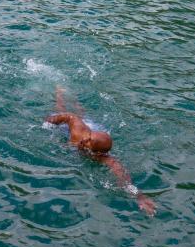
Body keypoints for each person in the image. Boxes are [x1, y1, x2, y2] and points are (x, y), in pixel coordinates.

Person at [46, 86, 156, 216]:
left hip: (94, 133)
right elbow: (70, 117)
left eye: (88, 142)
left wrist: (140, 197)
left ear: (98, 153)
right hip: (79, 126)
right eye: (88, 138)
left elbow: (123, 177)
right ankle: (60, 92)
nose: (84, 140)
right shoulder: (79, 133)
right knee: (63, 110)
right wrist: (48, 123)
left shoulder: (103, 158)